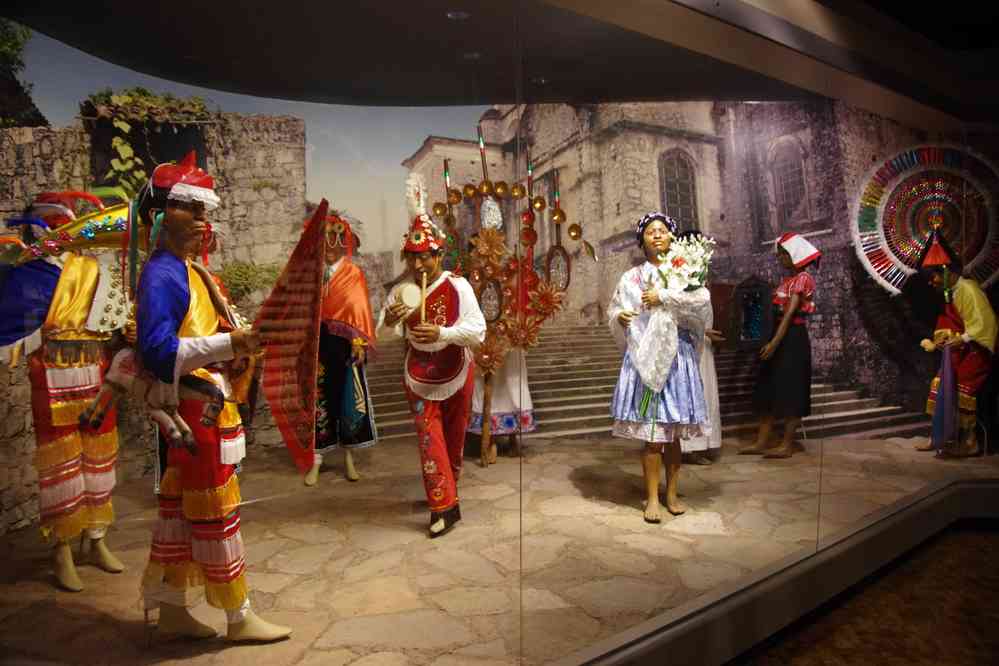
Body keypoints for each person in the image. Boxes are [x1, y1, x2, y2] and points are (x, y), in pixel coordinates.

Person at [135, 152, 290, 642]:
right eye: (193, 211)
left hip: (203, 407)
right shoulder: (163, 275)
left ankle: (173, 608)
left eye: (205, 212)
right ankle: (237, 615)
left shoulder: (191, 273)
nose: (204, 222)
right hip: (193, 411)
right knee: (217, 515)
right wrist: (229, 343)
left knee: (181, 515)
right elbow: (159, 353)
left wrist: (238, 343)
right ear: (162, 217)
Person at [0, 191, 128, 591]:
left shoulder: (92, 269)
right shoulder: (25, 273)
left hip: (95, 372)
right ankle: (61, 548)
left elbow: (113, 319)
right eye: (51, 226)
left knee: (98, 457)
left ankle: (96, 538)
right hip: (53, 374)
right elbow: (15, 321)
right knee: (61, 466)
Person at [377, 214, 486, 537]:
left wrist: (443, 331)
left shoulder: (458, 285)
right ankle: (442, 505)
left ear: (439, 255)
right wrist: (390, 321)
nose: (420, 264)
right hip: (419, 375)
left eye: (426, 256)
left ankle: (449, 492)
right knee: (430, 440)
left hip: (456, 370)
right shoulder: (401, 291)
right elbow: (382, 335)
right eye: (413, 257)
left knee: (454, 441)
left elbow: (477, 331)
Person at [608, 212, 712, 522]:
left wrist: (663, 297)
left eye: (663, 231)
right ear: (642, 241)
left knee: (674, 435)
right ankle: (652, 498)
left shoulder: (685, 271)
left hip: (677, 359)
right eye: (650, 232)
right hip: (646, 358)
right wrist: (620, 317)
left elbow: (700, 303)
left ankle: (672, 493)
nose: (657, 235)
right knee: (653, 434)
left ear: (672, 238)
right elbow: (617, 307)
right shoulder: (632, 278)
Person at [306, 215, 378, 486]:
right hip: (319, 345)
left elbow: (360, 310)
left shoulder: (353, 273)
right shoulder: (312, 274)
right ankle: (317, 459)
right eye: (326, 242)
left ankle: (349, 456)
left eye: (337, 240)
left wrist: (359, 342)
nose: (331, 246)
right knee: (320, 401)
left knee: (348, 401)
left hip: (347, 345)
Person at [917, 224, 996, 457]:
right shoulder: (951, 293)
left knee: (962, 389)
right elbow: (947, 323)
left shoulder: (967, 289)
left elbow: (984, 324)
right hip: (959, 351)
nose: (931, 284)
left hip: (976, 352)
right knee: (939, 384)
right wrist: (941, 340)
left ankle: (970, 442)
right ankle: (939, 437)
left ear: (944, 271)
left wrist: (961, 339)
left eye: (932, 278)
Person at [741, 232, 820, 459]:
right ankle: (762, 441)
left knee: (792, 390)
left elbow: (788, 315)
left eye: (784, 255)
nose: (780, 260)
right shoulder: (785, 281)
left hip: (792, 339)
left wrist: (774, 343)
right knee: (768, 388)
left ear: (794, 255)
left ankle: (787, 444)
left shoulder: (803, 278)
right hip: (778, 336)